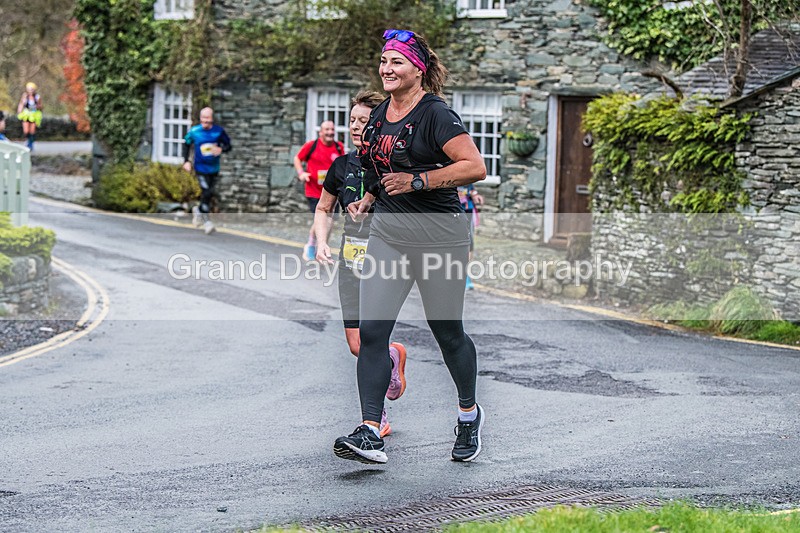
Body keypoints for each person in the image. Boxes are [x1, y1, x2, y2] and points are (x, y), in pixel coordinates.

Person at [333, 29, 487, 465]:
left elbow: (474, 166)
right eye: (383, 61)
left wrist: (419, 180)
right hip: (390, 236)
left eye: (396, 62)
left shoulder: (436, 114)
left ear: (417, 68)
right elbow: (375, 166)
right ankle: (369, 431)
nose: (387, 68)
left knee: (448, 334)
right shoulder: (380, 115)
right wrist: (366, 199)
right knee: (372, 332)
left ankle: (468, 414)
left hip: (440, 239)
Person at [314, 90, 407, 439]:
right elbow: (324, 208)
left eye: (364, 121)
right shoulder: (341, 166)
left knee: (369, 339)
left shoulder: (393, 167)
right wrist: (322, 242)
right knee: (357, 344)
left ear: (379, 125)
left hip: (385, 260)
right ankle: (393, 356)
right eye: (352, 120)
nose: (355, 126)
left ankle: (375, 416)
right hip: (350, 261)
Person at [294, 120, 344, 260]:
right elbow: (297, 158)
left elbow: (342, 167)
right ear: (320, 132)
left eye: (332, 129)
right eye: (326, 129)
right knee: (322, 219)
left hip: (333, 192)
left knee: (330, 221)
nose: (330, 132)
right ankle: (311, 245)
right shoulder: (311, 146)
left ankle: (322, 248)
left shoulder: (339, 147)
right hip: (314, 190)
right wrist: (301, 173)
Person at [183, 107, 232, 235]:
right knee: (206, 191)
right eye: (203, 120)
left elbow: (228, 145)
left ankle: (198, 210)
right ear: (200, 119)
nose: (206, 123)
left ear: (212, 119)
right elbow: (186, 144)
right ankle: (207, 222)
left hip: (214, 168)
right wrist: (186, 161)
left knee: (209, 193)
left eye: (208, 121)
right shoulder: (194, 131)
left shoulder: (218, 132)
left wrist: (221, 150)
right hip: (200, 167)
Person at [458, 184, 484, 290]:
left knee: (469, 244)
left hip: (467, 211)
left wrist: (475, 195)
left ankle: (465, 275)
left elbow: (471, 189)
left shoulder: (467, 174)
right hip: (451, 213)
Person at [17, 82, 42, 150]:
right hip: (26, 115)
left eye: (32, 89)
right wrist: (19, 111)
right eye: (29, 89)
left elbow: (40, 106)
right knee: (26, 130)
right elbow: (21, 103)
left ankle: (31, 143)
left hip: (34, 115)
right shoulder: (25, 96)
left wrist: (37, 107)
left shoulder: (37, 97)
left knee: (32, 131)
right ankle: (27, 140)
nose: (30, 90)